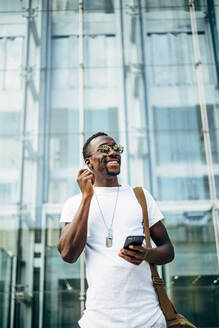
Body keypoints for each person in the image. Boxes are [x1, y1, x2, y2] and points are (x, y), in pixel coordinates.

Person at [57, 132, 174, 328]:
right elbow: (68, 254)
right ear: (89, 163)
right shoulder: (74, 204)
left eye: (116, 148)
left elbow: (168, 250)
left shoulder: (140, 196)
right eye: (104, 149)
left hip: (149, 319)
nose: (113, 153)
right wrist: (87, 197)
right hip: (98, 321)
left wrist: (147, 253)